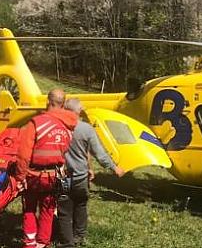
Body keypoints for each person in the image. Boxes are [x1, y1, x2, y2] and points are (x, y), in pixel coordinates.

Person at [57, 98, 125, 248]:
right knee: (80, 205)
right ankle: (78, 237)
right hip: (80, 177)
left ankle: (67, 242)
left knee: (64, 211)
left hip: (62, 177)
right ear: (78, 111)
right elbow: (99, 153)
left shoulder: (57, 127)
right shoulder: (86, 129)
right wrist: (114, 168)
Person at [15, 89, 78, 248]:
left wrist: (20, 177)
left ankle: (30, 243)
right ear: (63, 104)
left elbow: (23, 154)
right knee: (48, 209)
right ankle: (43, 243)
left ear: (48, 102)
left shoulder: (36, 122)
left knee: (29, 208)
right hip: (55, 175)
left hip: (34, 175)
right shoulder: (69, 126)